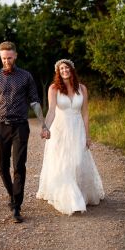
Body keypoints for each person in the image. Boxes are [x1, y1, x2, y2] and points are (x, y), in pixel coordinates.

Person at [0, 41, 47, 223]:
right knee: (2, 166)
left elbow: (34, 101)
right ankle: (13, 195)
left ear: (15, 56)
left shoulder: (26, 76)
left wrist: (43, 125)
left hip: (20, 126)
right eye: (4, 58)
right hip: (1, 126)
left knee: (19, 166)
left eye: (9, 58)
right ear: (0, 57)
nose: (7, 61)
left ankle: (17, 207)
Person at [36, 59, 105, 215]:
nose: (64, 71)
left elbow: (85, 113)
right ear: (58, 72)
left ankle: (81, 193)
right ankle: (72, 200)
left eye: (67, 68)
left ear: (72, 70)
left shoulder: (82, 89)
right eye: (61, 69)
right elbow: (52, 111)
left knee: (78, 161)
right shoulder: (54, 88)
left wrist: (88, 135)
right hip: (60, 130)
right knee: (64, 164)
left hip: (77, 129)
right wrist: (45, 127)